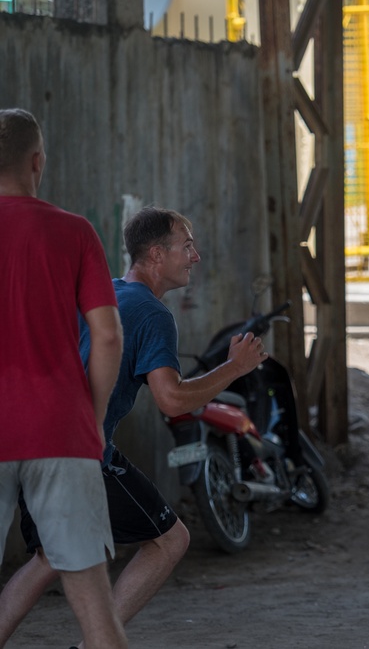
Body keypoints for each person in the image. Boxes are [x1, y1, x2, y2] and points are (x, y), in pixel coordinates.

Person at [0, 207, 268, 648]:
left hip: (33, 439)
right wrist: (234, 368)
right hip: (79, 449)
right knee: (169, 540)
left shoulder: (104, 293)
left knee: (48, 558)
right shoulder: (152, 314)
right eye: (187, 245)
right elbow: (173, 398)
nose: (195, 256)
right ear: (156, 255)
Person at [0, 108, 128, 648]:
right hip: (61, 429)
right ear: (37, 161)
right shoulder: (75, 231)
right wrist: (92, 419)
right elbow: (107, 337)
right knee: (99, 620)